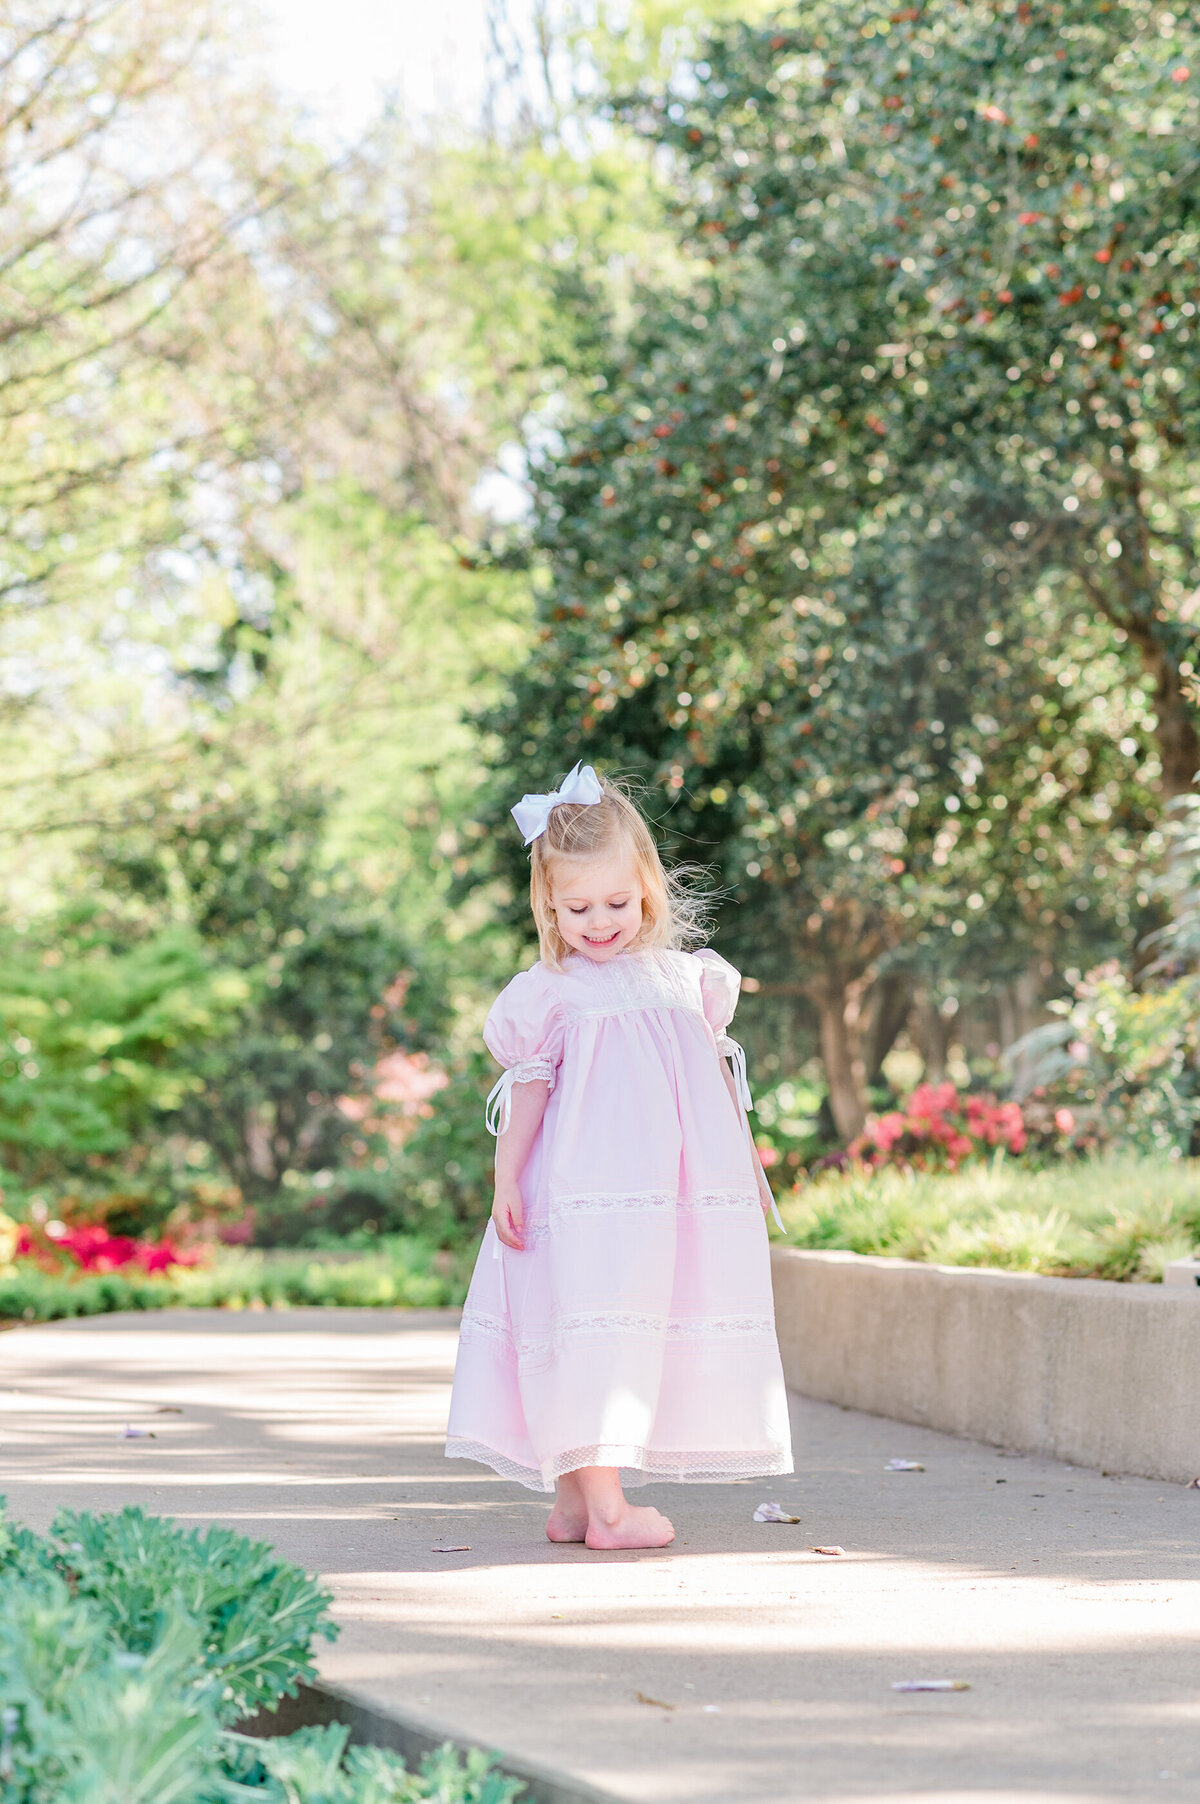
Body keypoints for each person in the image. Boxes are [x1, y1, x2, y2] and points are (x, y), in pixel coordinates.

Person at [445, 762, 793, 1549]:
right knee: (586, 1325)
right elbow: (528, 1092)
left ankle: (573, 1505)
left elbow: (706, 1089)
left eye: (617, 902)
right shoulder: (553, 992)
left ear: (647, 890)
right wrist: (506, 1179)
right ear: (548, 904)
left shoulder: (687, 982)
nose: (600, 922)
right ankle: (608, 1512)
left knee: (631, 1326)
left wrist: (730, 1173)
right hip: (582, 1194)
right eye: (577, 907)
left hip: (666, 1199)